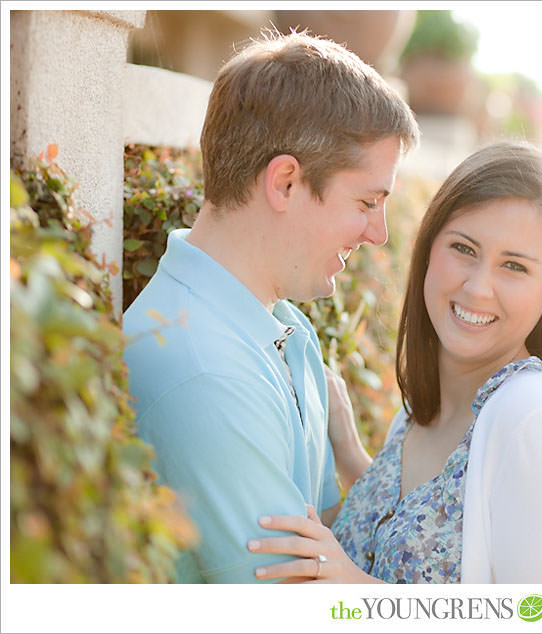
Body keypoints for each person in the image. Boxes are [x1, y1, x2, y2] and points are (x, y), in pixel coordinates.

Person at [122, 29, 419, 583]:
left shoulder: (287, 330)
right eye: (366, 201)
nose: (378, 233)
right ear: (285, 182)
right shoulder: (205, 372)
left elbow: (333, 536)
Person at [246, 141, 542, 583]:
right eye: (464, 249)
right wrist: (347, 451)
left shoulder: (537, 419)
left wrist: (353, 589)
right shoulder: (421, 409)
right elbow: (413, 542)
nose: (478, 287)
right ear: (429, 245)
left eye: (514, 266)